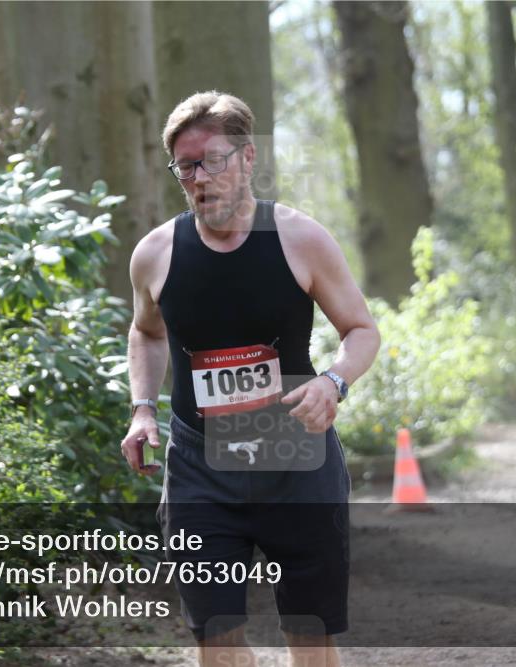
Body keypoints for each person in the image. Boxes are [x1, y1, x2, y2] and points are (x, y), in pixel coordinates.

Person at [120, 91, 380, 667]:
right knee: (216, 636)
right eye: (186, 166)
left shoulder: (300, 239)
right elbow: (148, 332)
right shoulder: (155, 254)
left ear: (247, 158)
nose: (199, 177)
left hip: (296, 462)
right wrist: (143, 407)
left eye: (213, 159)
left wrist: (332, 383)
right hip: (201, 470)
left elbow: (362, 330)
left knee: (309, 635)